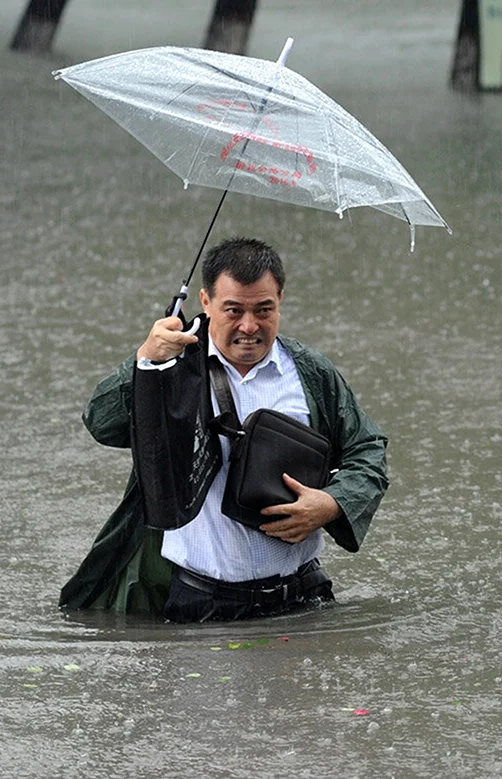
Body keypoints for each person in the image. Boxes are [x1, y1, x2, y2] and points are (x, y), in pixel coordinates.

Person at [60, 237, 389, 622]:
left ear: (281, 298)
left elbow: (368, 450)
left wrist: (331, 504)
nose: (249, 326)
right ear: (205, 302)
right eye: (233, 310)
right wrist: (144, 362)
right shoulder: (171, 370)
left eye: (264, 310)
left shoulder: (311, 373)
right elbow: (101, 422)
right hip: (202, 604)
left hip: (303, 599)